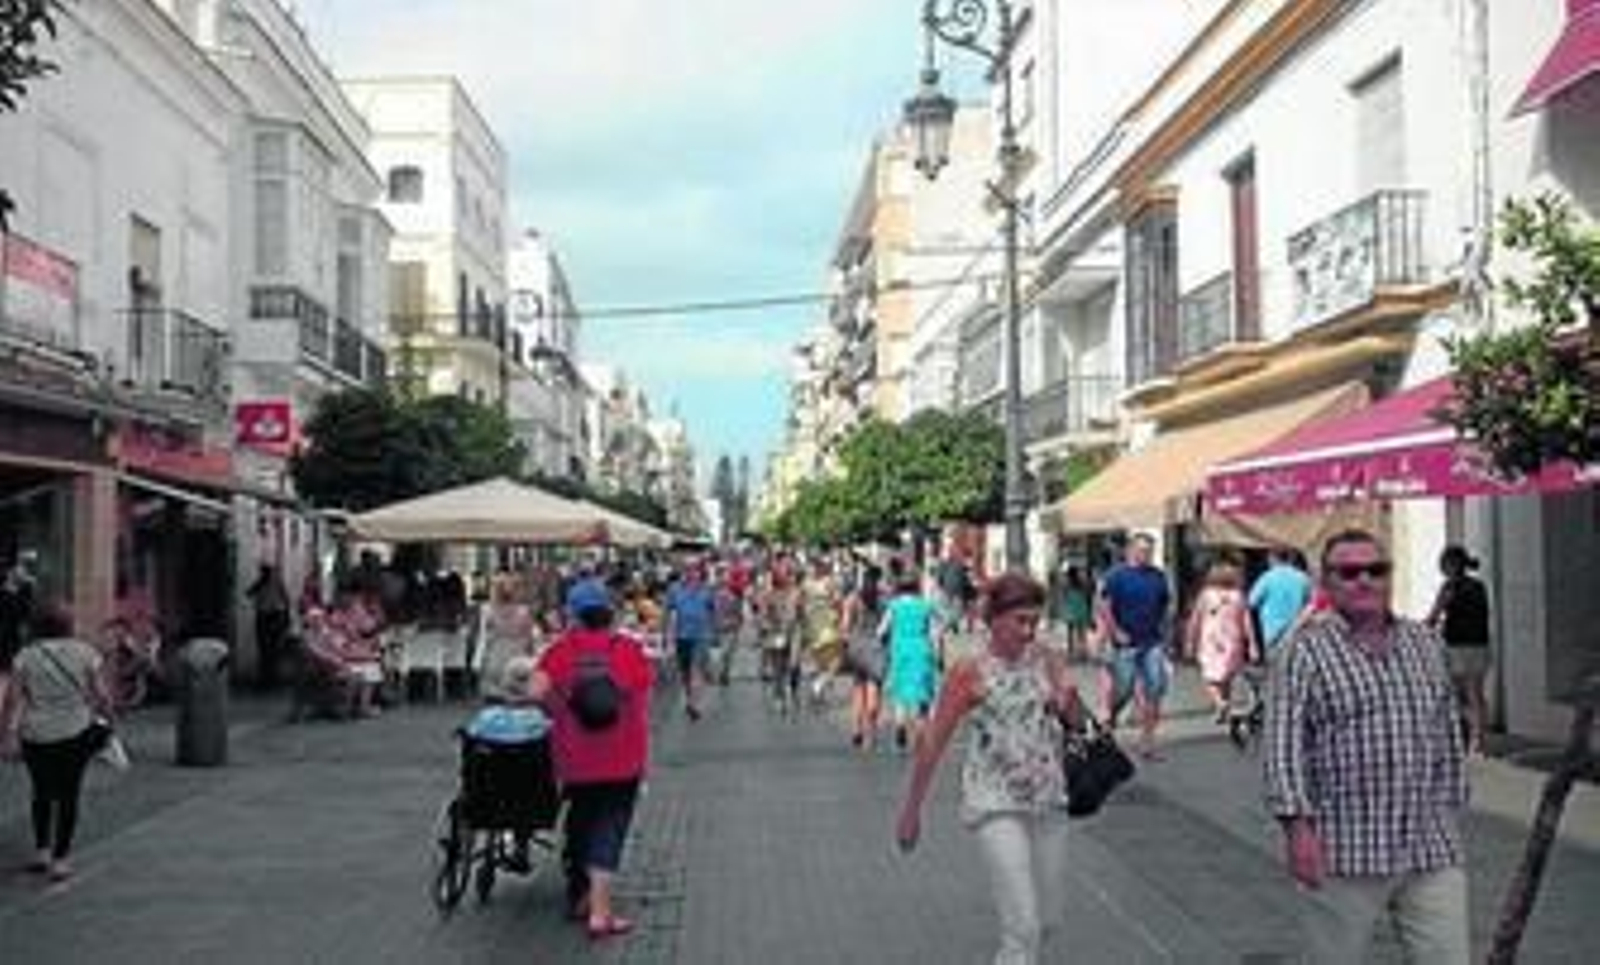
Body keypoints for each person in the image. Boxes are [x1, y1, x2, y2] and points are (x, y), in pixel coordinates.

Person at [1264, 529, 1468, 963]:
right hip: (1343, 846)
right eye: (1349, 572)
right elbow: (1282, 748)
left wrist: (1452, 807)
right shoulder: (1303, 652)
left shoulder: (1425, 643)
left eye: (1376, 570)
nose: (1365, 581)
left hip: (1428, 841)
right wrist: (1297, 831)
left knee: (1448, 955)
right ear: (1326, 581)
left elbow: (1447, 732)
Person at [896, 572, 1081, 965]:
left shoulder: (1047, 658)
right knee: (1023, 925)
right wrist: (911, 810)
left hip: (1048, 799)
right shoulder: (969, 671)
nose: (1028, 631)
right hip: (994, 801)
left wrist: (1068, 701)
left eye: (1035, 621)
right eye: (1020, 621)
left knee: (1049, 920)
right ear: (994, 619)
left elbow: (1076, 722)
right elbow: (934, 741)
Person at [531, 579, 653, 940]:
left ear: (573, 615)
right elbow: (643, 692)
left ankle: (581, 894)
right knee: (610, 827)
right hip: (623, 757)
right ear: (610, 613)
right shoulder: (629, 649)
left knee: (581, 820)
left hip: (575, 757)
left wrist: (557, 706)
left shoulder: (559, 651)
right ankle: (600, 912)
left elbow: (535, 691)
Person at [0, 603, 115, 882]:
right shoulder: (86, 653)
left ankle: (41, 851)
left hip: (36, 734)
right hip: (75, 732)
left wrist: (7, 735)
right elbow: (102, 695)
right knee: (68, 794)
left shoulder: (26, 655)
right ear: (69, 625)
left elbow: (12, 699)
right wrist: (109, 718)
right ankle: (60, 860)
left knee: (40, 791)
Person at [1094, 533, 1172, 759]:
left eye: (1149, 551)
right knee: (1124, 689)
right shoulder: (1116, 576)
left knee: (1154, 690)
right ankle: (1109, 721)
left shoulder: (1158, 576)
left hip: (1152, 641)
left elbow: (1164, 606)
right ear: (1131, 551)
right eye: (1142, 550)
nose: (1146, 554)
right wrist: (1115, 631)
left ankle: (1147, 743)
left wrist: (1166, 635)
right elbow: (1103, 605)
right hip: (1125, 644)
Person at [1427, 544, 1491, 757]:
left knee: (1456, 696)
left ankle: (1461, 738)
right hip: (1480, 646)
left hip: (1457, 647)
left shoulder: (1449, 587)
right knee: (1476, 695)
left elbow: (1433, 617)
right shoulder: (1479, 586)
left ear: (1451, 565)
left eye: (1443, 564)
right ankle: (1479, 742)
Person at [1183, 557, 1258, 722]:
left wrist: (1189, 640)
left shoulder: (1206, 595)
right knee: (1227, 676)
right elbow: (1247, 621)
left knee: (1209, 676)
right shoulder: (1238, 596)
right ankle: (1223, 708)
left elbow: (1196, 618)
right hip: (1233, 639)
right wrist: (1252, 644)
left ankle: (1220, 703)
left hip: (1210, 639)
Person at [880, 569, 940, 751]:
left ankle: (900, 726)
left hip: (900, 651)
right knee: (923, 694)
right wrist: (938, 655)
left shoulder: (894, 606)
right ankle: (920, 733)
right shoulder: (926, 606)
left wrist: (886, 642)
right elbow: (935, 633)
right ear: (917, 587)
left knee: (900, 692)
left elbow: (881, 630)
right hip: (922, 650)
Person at [840, 563, 886, 750]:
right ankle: (871, 733)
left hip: (856, 647)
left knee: (858, 690)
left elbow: (844, 627)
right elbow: (887, 628)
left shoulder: (852, 599)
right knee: (874, 690)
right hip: (875, 648)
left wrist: (845, 644)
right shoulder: (883, 600)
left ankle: (856, 730)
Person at [664, 563, 716, 721]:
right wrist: (666, 635)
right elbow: (668, 612)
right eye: (688, 570)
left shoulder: (707, 590)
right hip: (681, 636)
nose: (692, 573)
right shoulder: (674, 589)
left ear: (700, 573)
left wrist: (714, 632)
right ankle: (689, 698)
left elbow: (712, 611)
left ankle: (694, 704)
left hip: (700, 636)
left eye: (695, 570)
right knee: (685, 672)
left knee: (695, 670)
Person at [1248, 545, 1313, 660]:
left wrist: (1253, 641)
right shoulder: (1303, 578)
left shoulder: (1266, 578)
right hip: (1296, 633)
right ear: (1291, 558)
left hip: (1271, 635)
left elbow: (1251, 604)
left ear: (1272, 558)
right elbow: (1311, 605)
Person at [478, 577, 538, 693]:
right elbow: (530, 641)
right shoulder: (524, 612)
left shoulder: (487, 611)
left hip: (494, 663)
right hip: (517, 665)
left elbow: (485, 639)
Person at [246, 563, 291, 690]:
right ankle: (267, 679)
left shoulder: (275, 584)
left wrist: (286, 618)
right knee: (266, 650)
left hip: (272, 617)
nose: (265, 575)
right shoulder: (263, 584)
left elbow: (286, 600)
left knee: (270, 650)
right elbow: (249, 593)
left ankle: (270, 679)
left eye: (266, 573)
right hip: (267, 617)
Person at [1059, 565, 1093, 660]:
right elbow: (1088, 595)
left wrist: (1064, 608)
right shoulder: (1083, 583)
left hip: (1071, 610)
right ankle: (1083, 653)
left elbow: (1064, 597)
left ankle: (1071, 652)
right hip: (1081, 609)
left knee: (1070, 633)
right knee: (1081, 633)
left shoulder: (1066, 584)